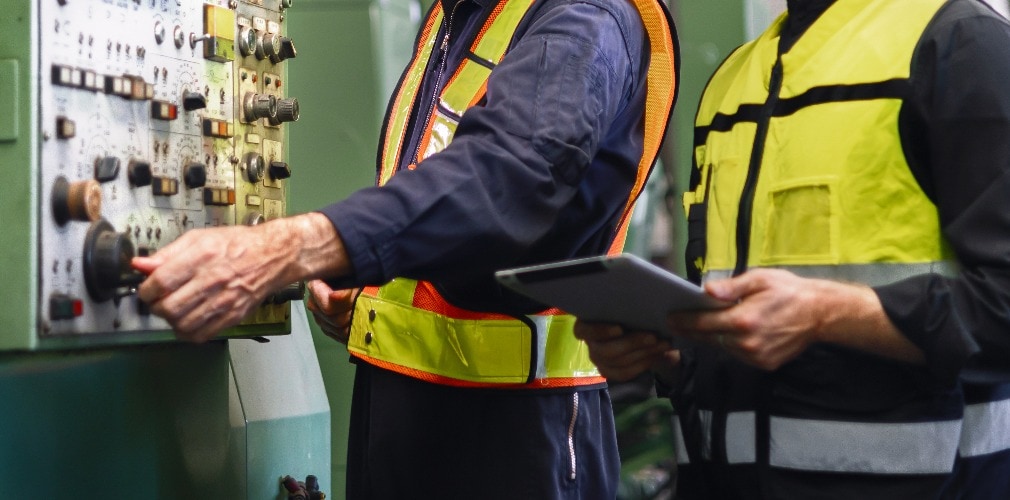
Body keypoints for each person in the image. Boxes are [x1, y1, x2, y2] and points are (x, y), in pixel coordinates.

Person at [132, 0, 679, 497]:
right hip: (408, 425)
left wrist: (289, 247)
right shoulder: (460, 19)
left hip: (515, 438)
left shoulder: (584, 17)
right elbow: (440, 216)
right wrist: (375, 294)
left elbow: (511, 176)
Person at [574, 0, 1010, 498]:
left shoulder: (963, 43)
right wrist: (673, 355)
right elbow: (738, 314)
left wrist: (829, 313)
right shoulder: (733, 80)